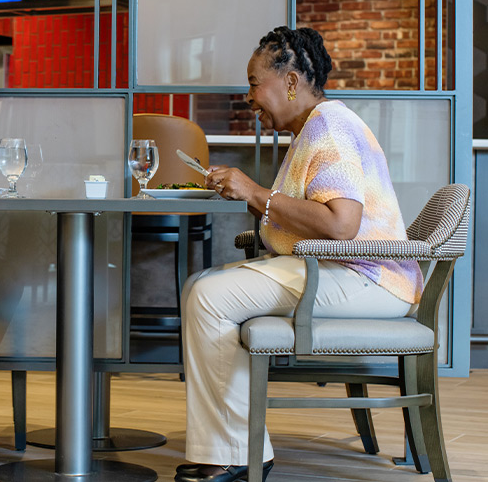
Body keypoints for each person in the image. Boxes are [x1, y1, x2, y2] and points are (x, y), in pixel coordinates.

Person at [174, 26, 423, 482]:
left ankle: (239, 452)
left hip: (366, 277)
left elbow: (340, 225)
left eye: (254, 83)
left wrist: (254, 191)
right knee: (199, 287)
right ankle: (233, 443)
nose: (249, 96)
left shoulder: (330, 125)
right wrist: (253, 196)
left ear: (290, 81)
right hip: (344, 273)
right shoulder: (314, 128)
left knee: (209, 296)